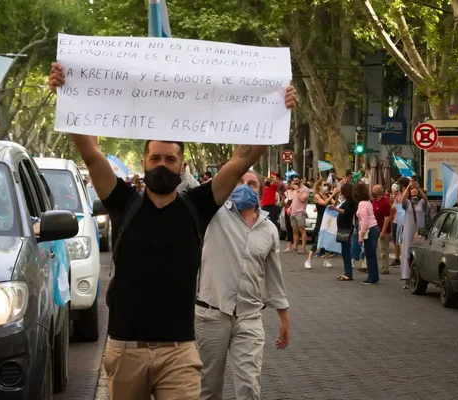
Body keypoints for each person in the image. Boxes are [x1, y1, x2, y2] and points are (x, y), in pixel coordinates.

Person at [48, 62, 296, 400]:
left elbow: (243, 159)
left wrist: (275, 111)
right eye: (155, 159)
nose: (162, 165)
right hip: (125, 350)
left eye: (169, 159)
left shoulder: (198, 205)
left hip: (179, 352)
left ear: (182, 166)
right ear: (144, 162)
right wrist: (68, 96)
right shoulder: (124, 202)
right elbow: (90, 154)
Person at [196, 171, 289, 400]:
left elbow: (274, 277)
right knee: (208, 387)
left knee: (249, 386)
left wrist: (284, 317)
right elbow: (189, 187)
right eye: (238, 182)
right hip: (211, 315)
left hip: (249, 317)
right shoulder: (213, 214)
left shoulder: (268, 229)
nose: (244, 187)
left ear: (260, 190)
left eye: (251, 183)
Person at [400, 180, 428, 289]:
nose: (414, 190)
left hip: (420, 231)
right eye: (412, 189)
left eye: (415, 189)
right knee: (407, 253)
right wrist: (408, 187)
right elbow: (402, 200)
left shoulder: (422, 203)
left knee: (419, 254)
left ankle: (420, 277)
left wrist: (419, 188)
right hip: (408, 232)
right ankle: (406, 278)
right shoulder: (407, 203)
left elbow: (426, 200)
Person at [305, 178, 338, 269]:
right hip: (320, 220)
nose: (326, 187)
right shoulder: (317, 195)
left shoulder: (328, 195)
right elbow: (324, 203)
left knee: (327, 240)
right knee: (316, 241)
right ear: (319, 186)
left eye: (327, 185)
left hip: (328, 221)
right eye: (324, 185)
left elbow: (334, 204)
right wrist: (332, 195)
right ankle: (309, 260)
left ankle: (326, 260)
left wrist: (336, 195)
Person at [354, 183, 380, 285]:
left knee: (369, 254)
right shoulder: (368, 202)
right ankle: (374, 276)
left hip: (370, 230)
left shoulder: (362, 204)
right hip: (374, 227)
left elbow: (364, 221)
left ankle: (372, 278)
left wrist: (361, 235)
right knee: (371, 254)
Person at [331, 183, 356, 281]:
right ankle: (347, 271)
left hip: (346, 228)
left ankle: (348, 273)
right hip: (343, 227)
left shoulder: (350, 202)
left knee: (346, 250)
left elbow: (346, 212)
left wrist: (335, 209)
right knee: (345, 250)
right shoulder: (347, 201)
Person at [371, 184, 391, 274]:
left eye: (374, 189)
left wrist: (383, 231)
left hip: (382, 229)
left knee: (383, 250)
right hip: (375, 228)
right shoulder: (374, 201)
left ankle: (385, 267)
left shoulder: (385, 203)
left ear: (378, 192)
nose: (372, 191)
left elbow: (387, 218)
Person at [289, 175, 309, 253]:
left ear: (301, 180)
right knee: (294, 230)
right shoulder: (294, 189)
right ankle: (295, 247)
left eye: (297, 180)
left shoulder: (305, 189)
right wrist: (290, 207)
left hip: (300, 212)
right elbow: (294, 200)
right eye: (294, 181)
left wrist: (297, 190)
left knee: (302, 230)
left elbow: (302, 199)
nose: (295, 182)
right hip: (293, 212)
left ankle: (303, 247)